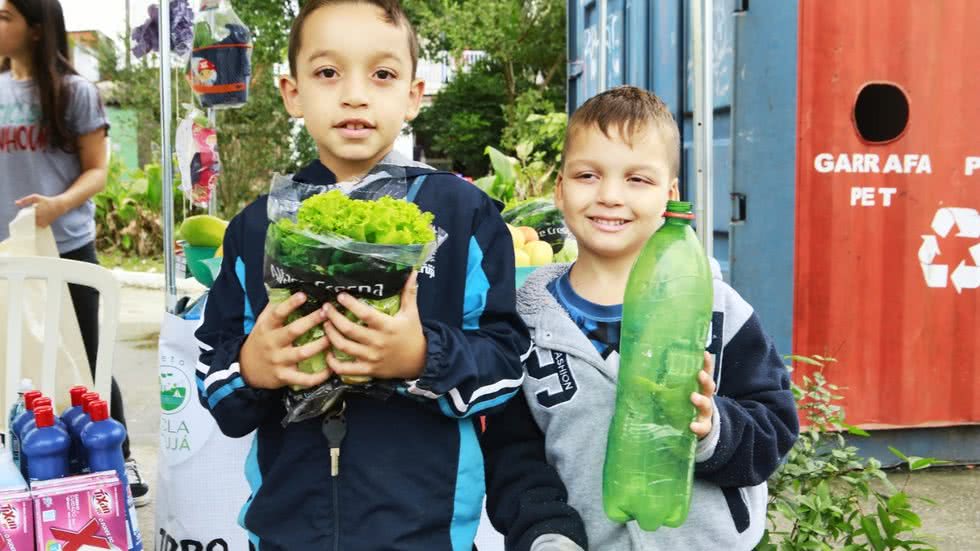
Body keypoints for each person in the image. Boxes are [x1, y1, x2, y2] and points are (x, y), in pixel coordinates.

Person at [194, 1, 568, 549]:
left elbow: (506, 363)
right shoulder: (256, 227)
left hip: (426, 531)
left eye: (382, 74)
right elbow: (215, 374)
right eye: (327, 72)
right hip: (287, 530)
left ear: (413, 95)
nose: (354, 94)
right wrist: (253, 366)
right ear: (291, 91)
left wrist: (421, 357)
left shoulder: (462, 215)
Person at [482, 86, 800, 550]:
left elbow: (775, 425)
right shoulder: (522, 329)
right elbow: (514, 460)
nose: (610, 195)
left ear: (670, 195)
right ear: (560, 188)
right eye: (588, 175)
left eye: (637, 179)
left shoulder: (718, 309)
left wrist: (713, 429)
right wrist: (547, 535)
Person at [0, 0, 149, 505]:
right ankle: (20, 464)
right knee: (11, 362)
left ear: (37, 30)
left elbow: (97, 170)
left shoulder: (76, 92)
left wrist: (57, 205)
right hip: (6, 254)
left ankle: (119, 456)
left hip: (66, 247)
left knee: (84, 359)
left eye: (5, 17)